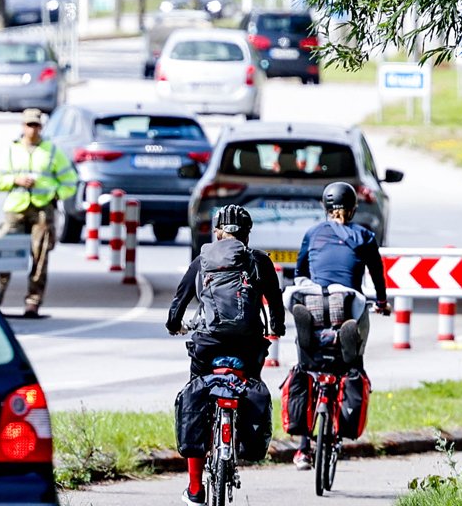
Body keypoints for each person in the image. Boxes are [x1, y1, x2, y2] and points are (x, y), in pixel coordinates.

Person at [167, 204, 285, 505]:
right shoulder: (258, 260)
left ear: (217, 232)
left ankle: (195, 488)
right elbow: (275, 301)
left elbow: (179, 301)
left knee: (197, 390)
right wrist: (277, 328)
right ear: (246, 233)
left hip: (209, 344)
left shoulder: (202, 259)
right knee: (249, 384)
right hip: (248, 345)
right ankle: (243, 438)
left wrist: (174, 325)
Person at [288, 181, 390, 470]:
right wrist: (381, 302)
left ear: (325, 208)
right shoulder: (365, 236)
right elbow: (377, 275)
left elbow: (300, 272)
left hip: (315, 302)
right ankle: (351, 356)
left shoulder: (312, 233)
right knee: (353, 360)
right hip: (347, 304)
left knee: (306, 367)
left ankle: (304, 448)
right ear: (354, 209)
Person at [0, 108, 78, 318]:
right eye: (29, 125)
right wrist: (16, 180)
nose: (33, 130)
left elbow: (70, 182)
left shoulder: (51, 151)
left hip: (42, 208)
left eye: (36, 125)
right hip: (16, 207)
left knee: (40, 257)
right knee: (5, 254)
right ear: (22, 127)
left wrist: (55, 195)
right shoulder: (11, 150)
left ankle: (33, 301)